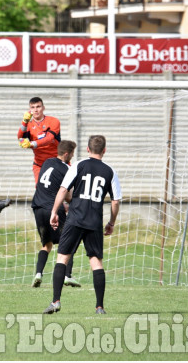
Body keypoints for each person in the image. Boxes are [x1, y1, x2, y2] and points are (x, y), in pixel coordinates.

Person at [43, 135, 121, 315]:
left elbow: (63, 189)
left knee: (62, 258)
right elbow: (115, 201)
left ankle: (55, 302)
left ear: (87, 149)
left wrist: (54, 211)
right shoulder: (110, 171)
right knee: (96, 262)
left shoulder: (79, 165)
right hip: (94, 221)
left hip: (75, 219)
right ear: (104, 150)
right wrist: (111, 222)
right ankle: (99, 307)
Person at [31, 140, 81, 288]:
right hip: (52, 208)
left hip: (37, 207)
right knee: (68, 241)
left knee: (46, 244)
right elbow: (66, 194)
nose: (72, 156)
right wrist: (75, 202)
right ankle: (67, 276)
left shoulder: (47, 162)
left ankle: (38, 274)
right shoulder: (66, 169)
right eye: (72, 153)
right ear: (66, 154)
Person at [17, 97, 61, 184]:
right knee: (40, 190)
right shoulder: (28, 125)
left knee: (64, 192)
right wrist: (24, 122)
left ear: (43, 108)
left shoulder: (53, 121)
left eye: (38, 107)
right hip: (39, 164)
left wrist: (32, 144)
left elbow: (49, 139)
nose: (36, 110)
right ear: (29, 110)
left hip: (57, 162)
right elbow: (20, 138)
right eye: (32, 107)